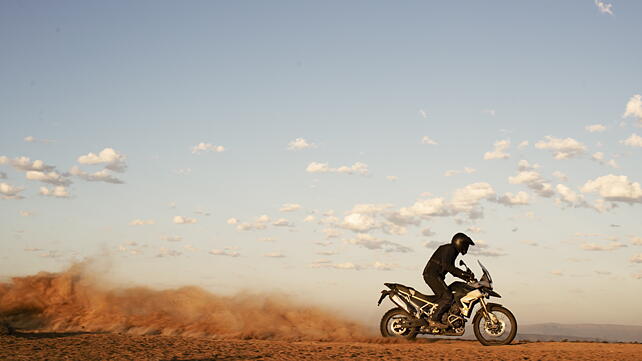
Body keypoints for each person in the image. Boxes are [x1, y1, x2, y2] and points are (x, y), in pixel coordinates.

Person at [422, 232, 475, 329]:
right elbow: (448, 266)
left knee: (448, 294)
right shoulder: (450, 249)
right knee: (447, 297)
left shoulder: (452, 251)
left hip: (435, 275)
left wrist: (465, 277)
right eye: (466, 245)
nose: (466, 247)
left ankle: (443, 316)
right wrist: (463, 274)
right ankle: (434, 319)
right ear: (460, 243)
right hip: (432, 275)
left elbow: (452, 270)